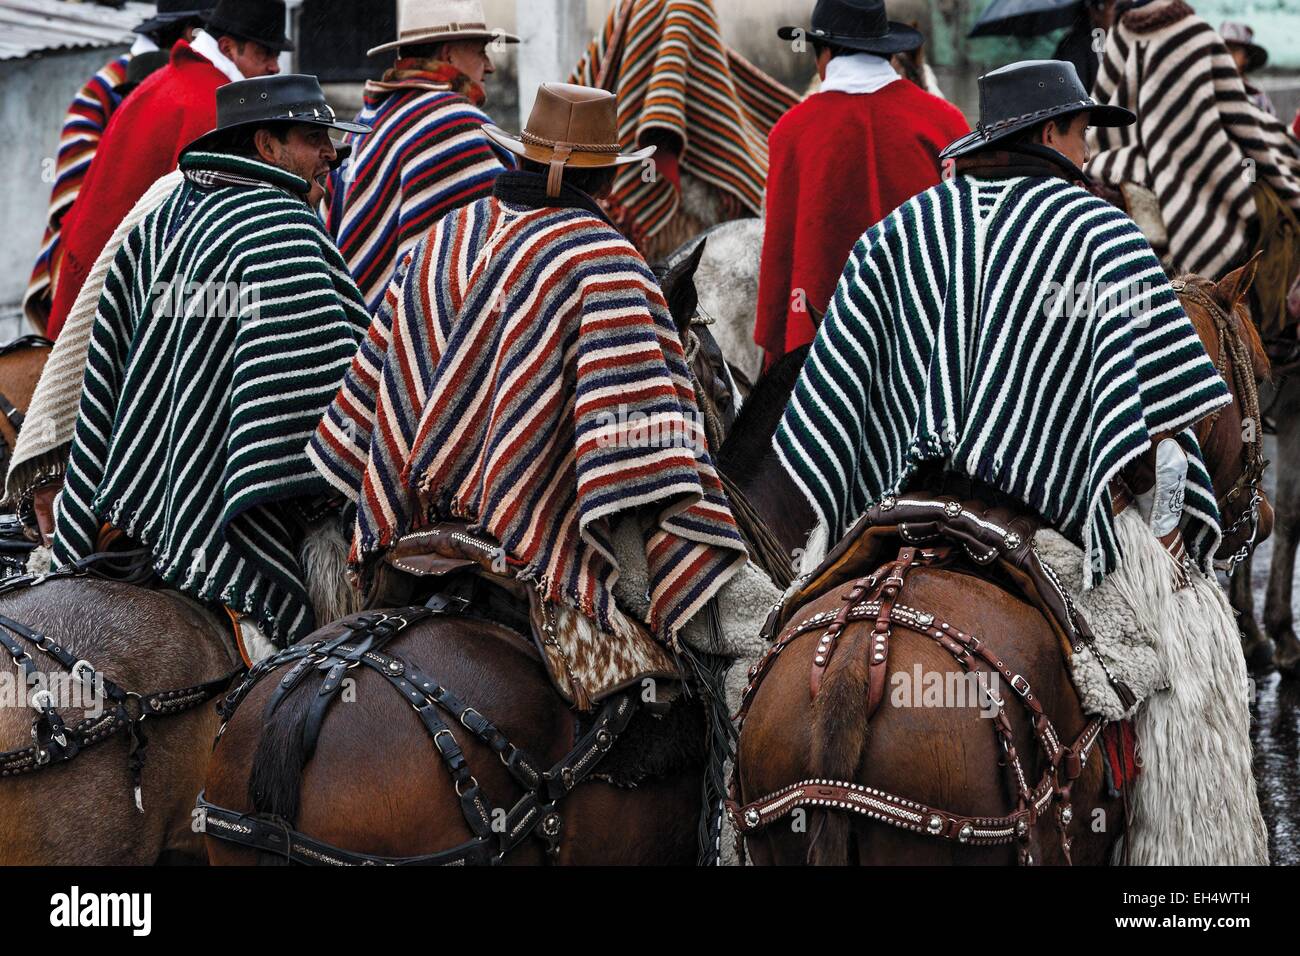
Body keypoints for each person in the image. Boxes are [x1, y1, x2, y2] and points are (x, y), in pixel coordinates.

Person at [774, 58, 1267, 866]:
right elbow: (1182, 414)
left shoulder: (902, 231)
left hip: (897, 513)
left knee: (760, 655)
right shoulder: (1100, 233)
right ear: (1048, 134)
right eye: (1081, 133)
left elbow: (833, 399)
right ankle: (1190, 873)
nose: (1088, 154)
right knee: (1193, 660)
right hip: (1049, 524)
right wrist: (1176, 523)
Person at [309, 83, 749, 707]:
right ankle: (727, 789)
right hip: (542, 542)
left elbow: (377, 385)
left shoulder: (445, 235)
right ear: (604, 181)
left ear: (523, 156)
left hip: (418, 523)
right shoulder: (607, 264)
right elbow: (650, 456)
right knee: (749, 631)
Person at [51, 74, 371, 658]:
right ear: (266, 147)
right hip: (245, 542)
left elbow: (113, 367)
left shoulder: (161, 219)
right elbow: (335, 402)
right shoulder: (280, 230)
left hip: (141, 517)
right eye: (312, 137)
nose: (332, 153)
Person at [44, 0, 290, 341]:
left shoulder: (169, 80)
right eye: (266, 53)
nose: (275, 66)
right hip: (109, 306)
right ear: (228, 48)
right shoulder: (211, 108)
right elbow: (204, 249)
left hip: (91, 286)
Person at [755, 0, 968, 367]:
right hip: (930, 352)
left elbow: (779, 264)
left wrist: (774, 357)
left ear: (824, 55)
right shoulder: (945, 122)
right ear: (885, 51)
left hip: (823, 358)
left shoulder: (791, 133)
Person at [1087, 0, 1300, 336]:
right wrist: (1286, 184)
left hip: (1120, 163)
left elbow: (1099, 110)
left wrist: (1096, 157)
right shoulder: (1198, 34)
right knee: (1265, 220)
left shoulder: (1118, 35)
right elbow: (1241, 119)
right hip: (1201, 168)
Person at [23, 1, 214, 334]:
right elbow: (82, 196)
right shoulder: (107, 91)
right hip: (94, 253)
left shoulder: (194, 88)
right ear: (190, 32)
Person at [570, 0, 800, 262]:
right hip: (681, 183)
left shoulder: (640, 4)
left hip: (647, 175)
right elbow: (706, 75)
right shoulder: (688, 5)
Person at [327, 0, 518, 313]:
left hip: (358, 329)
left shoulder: (366, 120)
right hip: (421, 337)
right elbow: (503, 245)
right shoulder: (456, 123)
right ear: (448, 54)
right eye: (480, 51)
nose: (490, 65)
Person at [1221, 21, 1276, 117]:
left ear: (1246, 58)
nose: (1228, 55)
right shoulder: (1210, 89)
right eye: (1223, 50)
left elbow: (1272, 127)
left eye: (1234, 50)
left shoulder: (1257, 95)